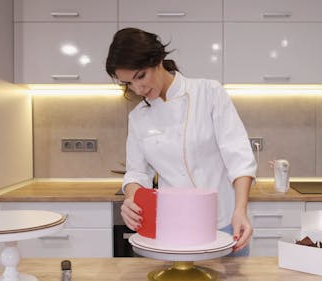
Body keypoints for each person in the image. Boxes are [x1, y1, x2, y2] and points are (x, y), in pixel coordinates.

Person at [106, 27, 257, 255]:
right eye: (128, 83)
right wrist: (131, 199)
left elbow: (239, 157)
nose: (138, 89)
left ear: (158, 60)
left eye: (140, 76)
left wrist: (240, 210)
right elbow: (136, 172)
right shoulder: (138, 117)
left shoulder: (209, 93)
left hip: (224, 225)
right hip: (173, 229)